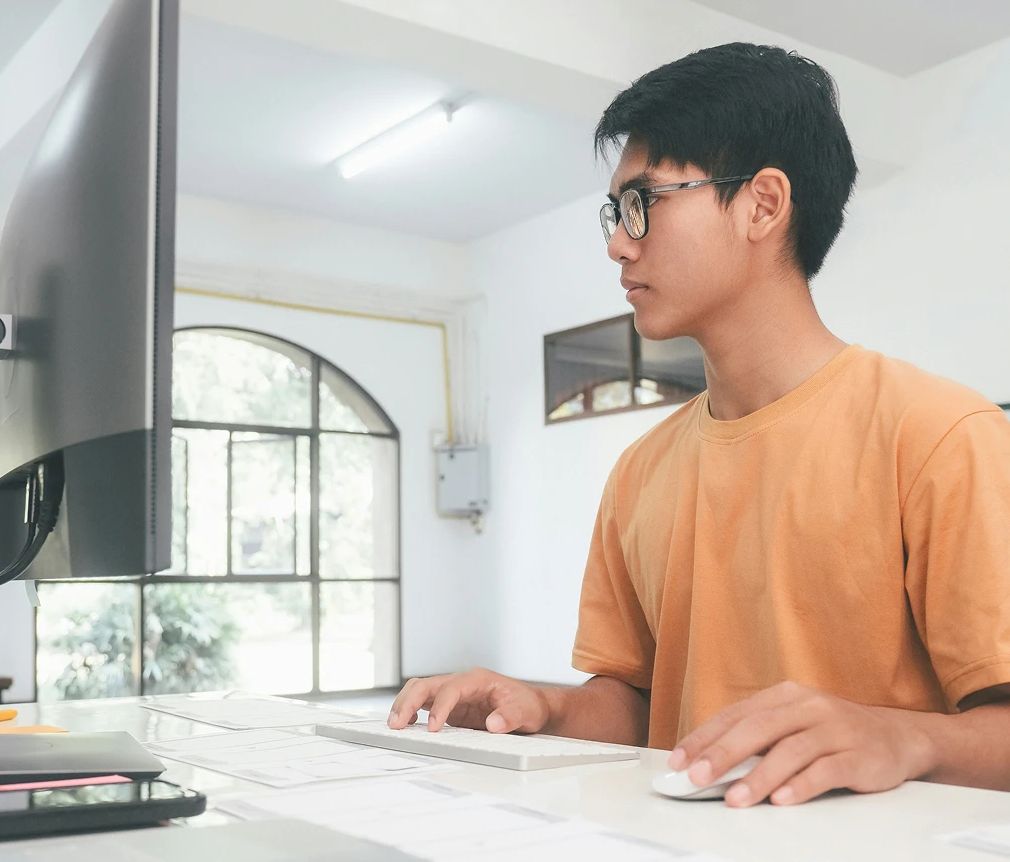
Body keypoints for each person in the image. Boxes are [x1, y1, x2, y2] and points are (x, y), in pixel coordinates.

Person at [388, 42, 1010, 806]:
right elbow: (640, 708)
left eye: (644, 202)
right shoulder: (641, 471)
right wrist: (544, 708)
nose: (619, 242)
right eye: (614, 213)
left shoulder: (942, 436)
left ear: (763, 204)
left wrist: (903, 736)